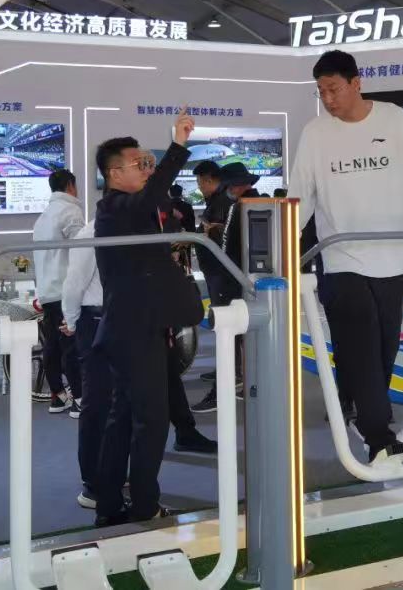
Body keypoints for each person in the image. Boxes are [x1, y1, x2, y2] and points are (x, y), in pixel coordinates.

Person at [290, 49, 403, 464]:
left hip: (392, 257)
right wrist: (284, 242)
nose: (328, 99)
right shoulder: (315, 133)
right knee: (361, 339)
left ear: (356, 83)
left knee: (384, 346)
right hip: (340, 256)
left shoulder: (393, 118)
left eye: (334, 89)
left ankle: (354, 402)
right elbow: (301, 194)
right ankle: (379, 433)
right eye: (321, 91)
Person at [62, 216, 215, 512]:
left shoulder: (136, 230)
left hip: (129, 321)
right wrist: (71, 321)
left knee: (123, 409)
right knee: (100, 405)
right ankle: (94, 486)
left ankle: (115, 484)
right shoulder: (93, 233)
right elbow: (74, 284)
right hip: (98, 319)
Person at [92, 111, 200, 526]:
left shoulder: (126, 210)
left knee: (124, 420)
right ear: (115, 174)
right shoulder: (117, 207)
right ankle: (143, 507)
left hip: (135, 329)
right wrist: (178, 145)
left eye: (148, 162)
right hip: (134, 332)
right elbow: (152, 197)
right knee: (151, 422)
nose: (147, 169)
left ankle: (109, 505)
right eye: (140, 163)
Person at [190, 161, 258, 413]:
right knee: (238, 333)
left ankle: (223, 389)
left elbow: (227, 244)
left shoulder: (236, 206)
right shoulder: (249, 204)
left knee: (227, 330)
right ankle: (240, 380)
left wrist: (213, 233)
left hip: (229, 277)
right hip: (237, 277)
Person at [32, 169, 85, 414]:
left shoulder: (43, 217)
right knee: (71, 346)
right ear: (70, 186)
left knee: (53, 345)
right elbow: (83, 250)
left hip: (47, 290)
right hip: (65, 289)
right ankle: (79, 399)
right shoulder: (70, 211)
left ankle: (58, 396)